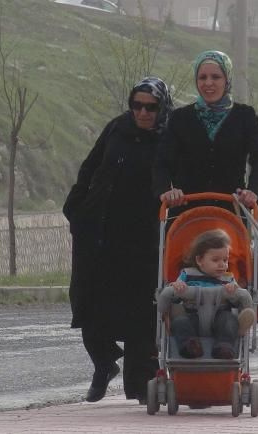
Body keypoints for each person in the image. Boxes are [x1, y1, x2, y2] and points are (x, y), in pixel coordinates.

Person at [63, 77, 173, 404]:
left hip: (144, 240)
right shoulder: (117, 128)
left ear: (162, 107)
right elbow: (90, 168)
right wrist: (76, 208)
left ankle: (141, 386)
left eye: (150, 107)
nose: (142, 113)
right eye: (136, 105)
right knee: (89, 304)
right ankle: (103, 363)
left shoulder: (170, 139)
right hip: (101, 234)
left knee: (142, 312)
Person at [153, 50, 258, 212]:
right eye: (202, 77)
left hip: (231, 212)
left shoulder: (245, 116)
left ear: (226, 79)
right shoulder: (179, 118)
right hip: (186, 214)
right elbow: (162, 162)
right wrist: (166, 191)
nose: (208, 83)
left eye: (216, 77)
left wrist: (254, 192)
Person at [158, 229, 256, 359]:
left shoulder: (228, 278)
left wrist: (233, 289)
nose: (222, 264)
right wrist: (177, 286)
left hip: (219, 317)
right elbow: (173, 292)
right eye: (215, 260)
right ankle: (190, 345)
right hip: (192, 316)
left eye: (225, 260)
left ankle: (224, 346)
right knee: (179, 322)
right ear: (199, 260)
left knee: (229, 321)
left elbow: (239, 298)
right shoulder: (187, 274)